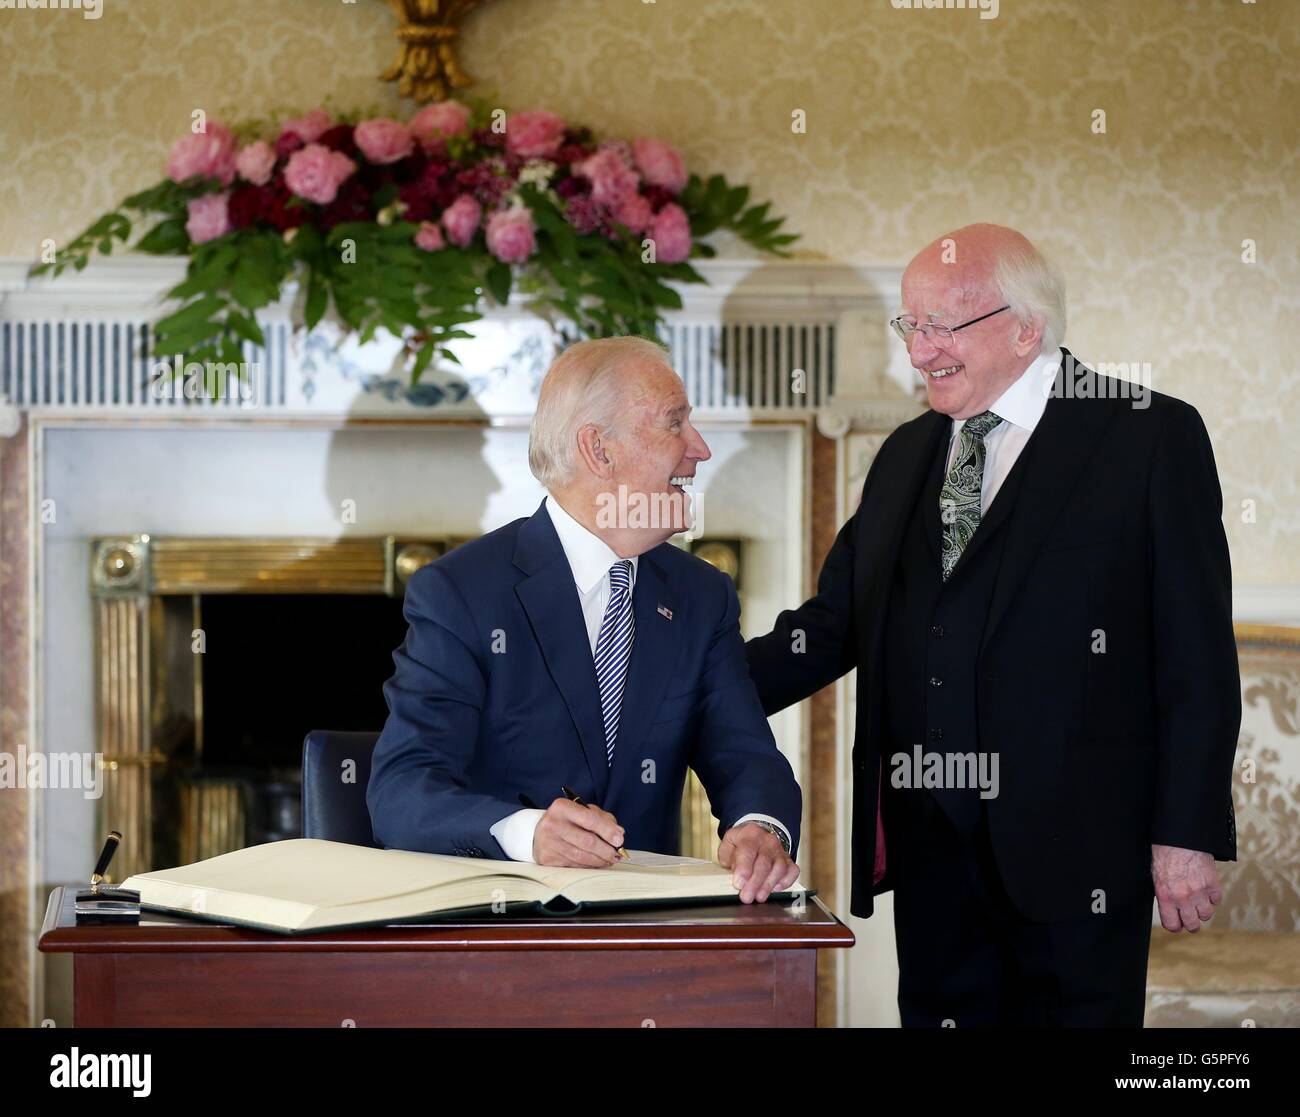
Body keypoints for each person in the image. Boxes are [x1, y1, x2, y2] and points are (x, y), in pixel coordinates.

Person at [745, 223, 1240, 1024]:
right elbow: (832, 625)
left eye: (943, 325)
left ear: (1025, 325)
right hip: (932, 841)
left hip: (1080, 850)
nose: (919, 349)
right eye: (911, 324)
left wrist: (1183, 833)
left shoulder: (1149, 434)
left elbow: (1197, 656)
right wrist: (678, 695)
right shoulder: (906, 453)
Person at [368, 335, 801, 903]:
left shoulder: (701, 596)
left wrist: (760, 827)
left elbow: (744, 755)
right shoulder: (461, 593)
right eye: (676, 424)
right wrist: (528, 834)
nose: (700, 449)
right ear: (599, 449)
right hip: (497, 937)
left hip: (645, 938)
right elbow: (401, 792)